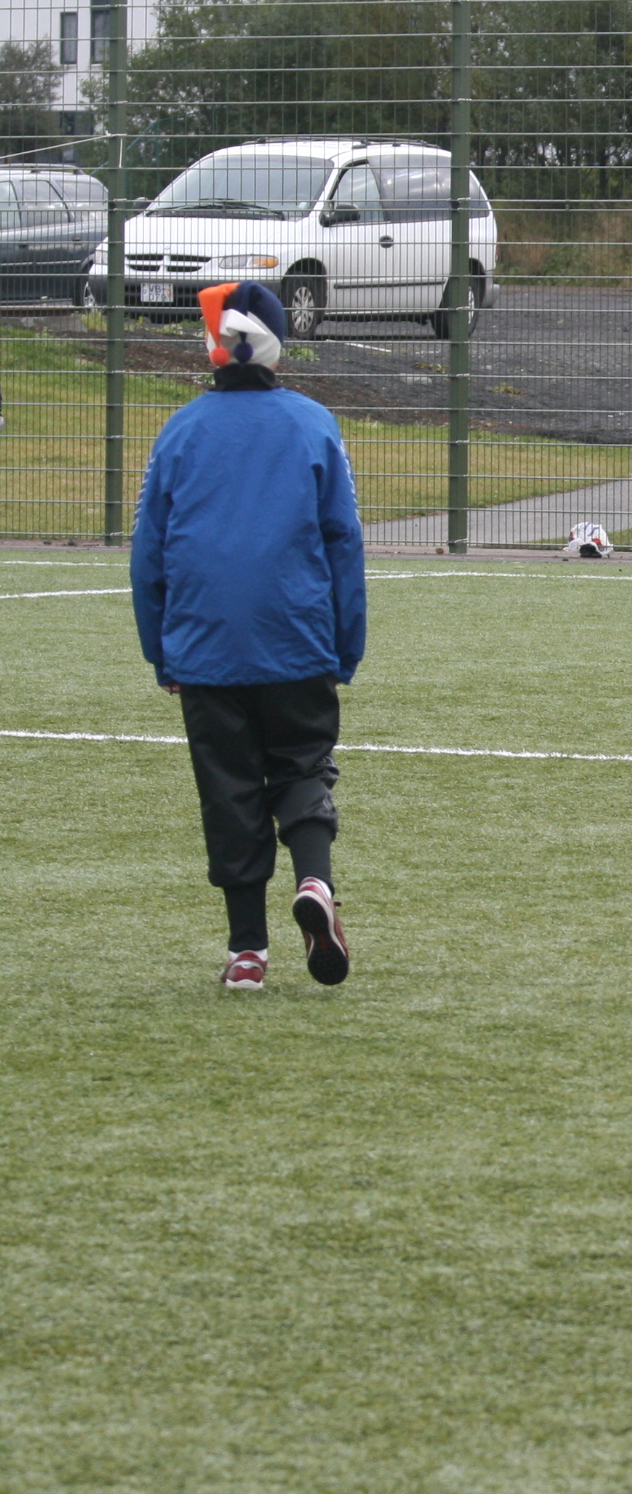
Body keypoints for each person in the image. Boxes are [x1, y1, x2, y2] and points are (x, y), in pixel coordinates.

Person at [130, 281, 363, 991]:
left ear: (214, 350)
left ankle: (247, 953)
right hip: (296, 636)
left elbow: (149, 553)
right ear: (278, 349)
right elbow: (343, 543)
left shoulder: (180, 431)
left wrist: (161, 650)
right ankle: (315, 882)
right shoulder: (314, 424)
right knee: (302, 765)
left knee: (228, 789)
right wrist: (346, 643)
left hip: (205, 645)